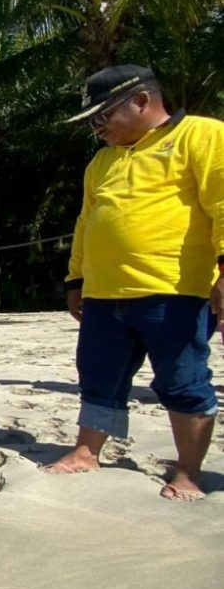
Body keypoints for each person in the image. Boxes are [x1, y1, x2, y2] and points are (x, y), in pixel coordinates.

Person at [45, 64, 224, 501]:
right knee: (99, 377)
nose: (96, 127)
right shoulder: (101, 161)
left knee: (182, 381)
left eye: (102, 115)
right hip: (104, 295)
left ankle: (187, 472)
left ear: (142, 101)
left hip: (174, 291)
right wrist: (76, 278)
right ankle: (87, 452)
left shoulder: (201, 135)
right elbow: (87, 221)